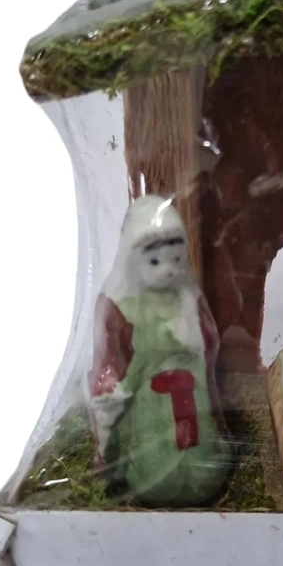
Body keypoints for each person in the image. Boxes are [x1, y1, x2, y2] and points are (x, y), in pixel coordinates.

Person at [88, 195, 230, 505]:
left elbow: (207, 349)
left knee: (204, 466)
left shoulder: (189, 298)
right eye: (154, 261)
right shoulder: (122, 306)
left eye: (175, 259)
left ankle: (200, 476)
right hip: (149, 403)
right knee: (155, 467)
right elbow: (113, 363)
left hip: (193, 395)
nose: (167, 270)